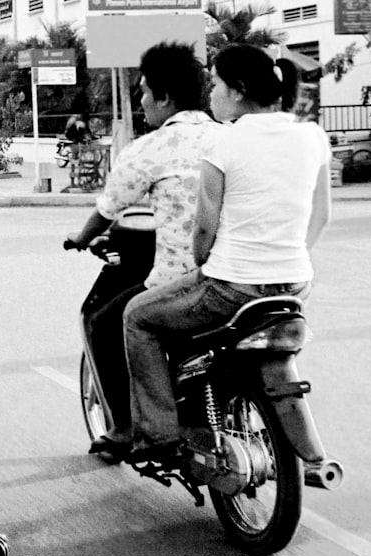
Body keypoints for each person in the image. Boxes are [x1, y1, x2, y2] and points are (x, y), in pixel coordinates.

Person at [122, 43, 331, 463]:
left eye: (215, 83)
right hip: (294, 285)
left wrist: (203, 265)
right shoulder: (312, 134)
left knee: (136, 316)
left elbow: (203, 227)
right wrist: (287, 257)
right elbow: (321, 214)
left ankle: (159, 435)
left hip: (232, 287)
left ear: (237, 90)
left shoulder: (225, 141)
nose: (210, 93)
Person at [64, 42, 218, 459]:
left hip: (181, 282)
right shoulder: (229, 136)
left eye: (146, 92)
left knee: (108, 319)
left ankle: (134, 428)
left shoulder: (151, 148)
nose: (142, 101)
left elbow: (107, 209)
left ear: (165, 97)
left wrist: (80, 238)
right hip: (241, 277)